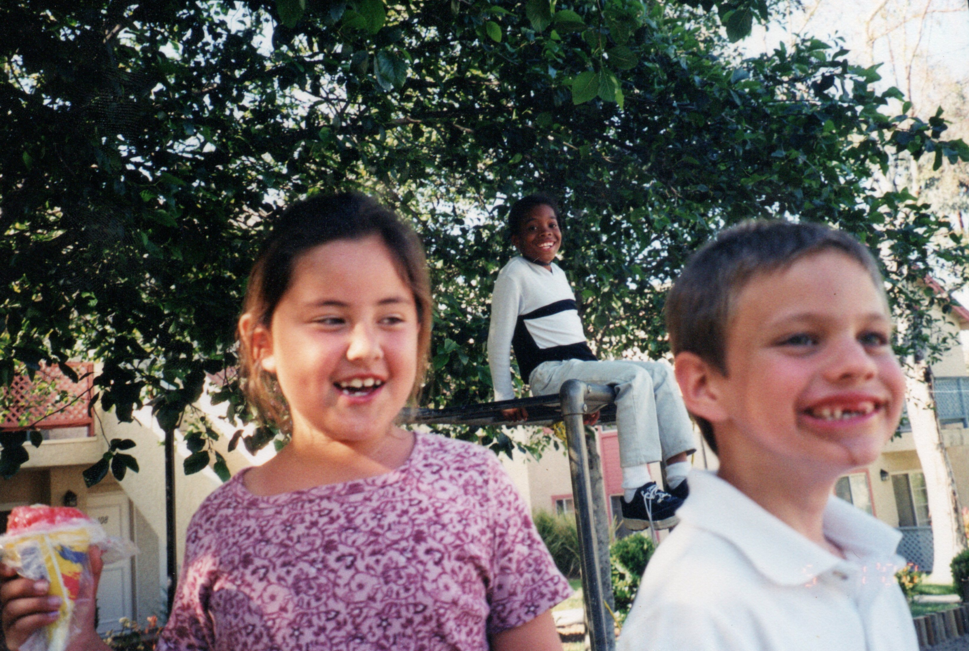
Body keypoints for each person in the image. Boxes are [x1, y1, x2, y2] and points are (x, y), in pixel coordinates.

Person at [1, 192, 571, 651]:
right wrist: (74, 640)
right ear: (263, 343)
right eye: (330, 319)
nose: (364, 347)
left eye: (391, 317)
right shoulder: (221, 525)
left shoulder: (473, 485)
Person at [618, 220, 918, 651]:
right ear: (704, 385)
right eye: (801, 338)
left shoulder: (866, 562)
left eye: (872, 337)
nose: (858, 364)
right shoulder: (694, 610)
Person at [487, 193, 697, 530]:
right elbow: (499, 338)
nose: (546, 232)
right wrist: (504, 396)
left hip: (574, 368)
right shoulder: (514, 274)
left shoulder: (557, 274)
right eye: (532, 228)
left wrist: (597, 390)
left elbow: (576, 344)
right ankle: (636, 491)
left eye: (552, 224)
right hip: (548, 373)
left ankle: (680, 478)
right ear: (516, 239)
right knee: (634, 377)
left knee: (658, 372)